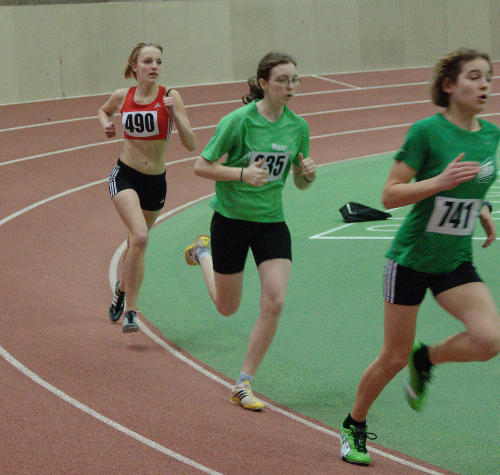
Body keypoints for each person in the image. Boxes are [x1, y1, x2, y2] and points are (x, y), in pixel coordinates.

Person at [340, 47, 500, 466]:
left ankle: (426, 358)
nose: (485, 84)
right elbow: (390, 194)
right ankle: (354, 423)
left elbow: (472, 187)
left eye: (488, 76)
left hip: (453, 260)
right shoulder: (427, 132)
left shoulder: (490, 135)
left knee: (489, 340)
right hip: (410, 259)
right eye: (474, 76)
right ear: (449, 85)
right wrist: (438, 181)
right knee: (392, 356)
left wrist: (481, 210)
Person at [184, 52, 316, 411]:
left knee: (275, 301)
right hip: (230, 221)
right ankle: (204, 252)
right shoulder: (239, 122)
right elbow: (201, 166)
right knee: (227, 308)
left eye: (295, 80)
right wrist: (242, 174)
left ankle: (243, 382)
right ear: (263, 84)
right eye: (282, 80)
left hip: (271, 222)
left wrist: (306, 175)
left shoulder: (298, 127)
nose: (290, 87)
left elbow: (299, 182)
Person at [98, 42, 197, 333]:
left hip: (155, 182)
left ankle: (120, 289)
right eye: (148, 61)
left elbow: (191, 144)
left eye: (158, 62)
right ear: (134, 67)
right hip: (125, 175)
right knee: (140, 237)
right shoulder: (123, 96)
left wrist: (175, 114)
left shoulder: (170, 96)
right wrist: (106, 124)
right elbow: (103, 111)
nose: (154, 66)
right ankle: (131, 310)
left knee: (134, 246)